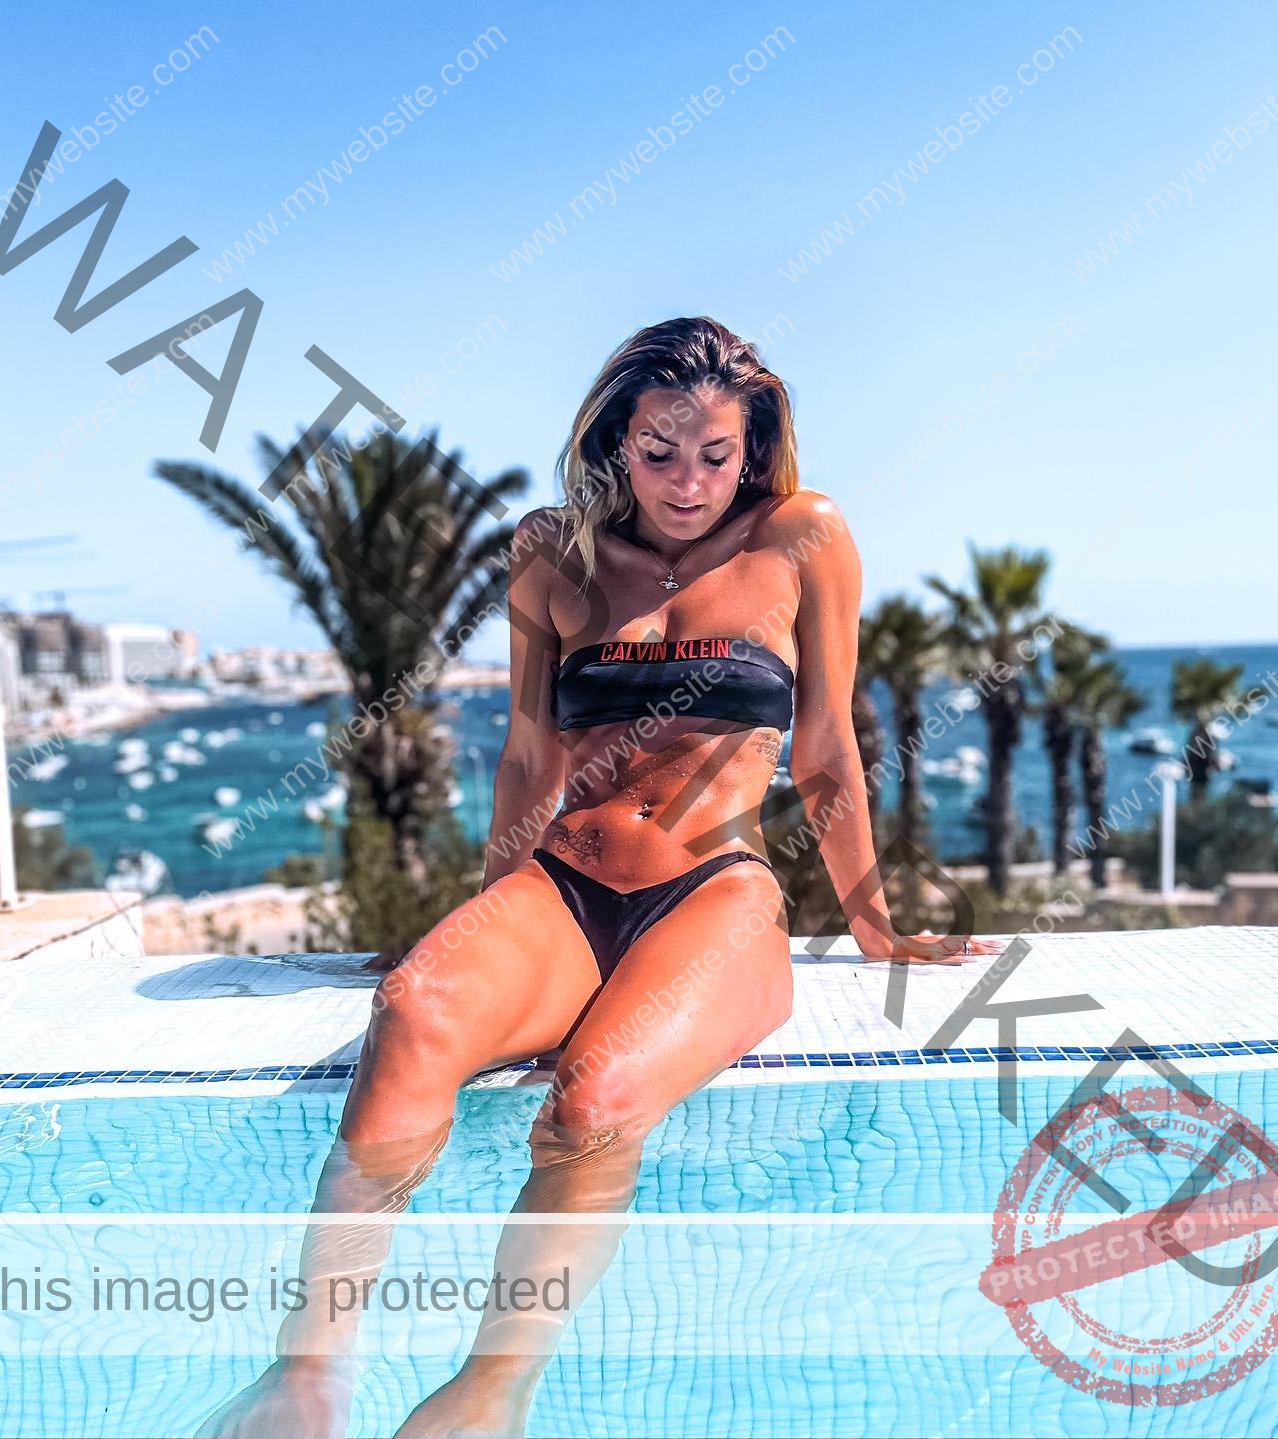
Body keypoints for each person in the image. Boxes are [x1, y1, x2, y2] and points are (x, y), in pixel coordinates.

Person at [195, 316, 1004, 1439]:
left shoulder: (804, 536)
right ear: (613, 444)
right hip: (562, 886)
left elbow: (825, 748)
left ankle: (491, 1393)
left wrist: (876, 927)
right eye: (658, 451)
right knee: (417, 1007)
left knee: (596, 1099)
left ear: (755, 443)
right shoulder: (549, 552)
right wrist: (482, 908)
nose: (687, 480)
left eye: (716, 454)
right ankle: (310, 1373)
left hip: (712, 892)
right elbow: (528, 755)